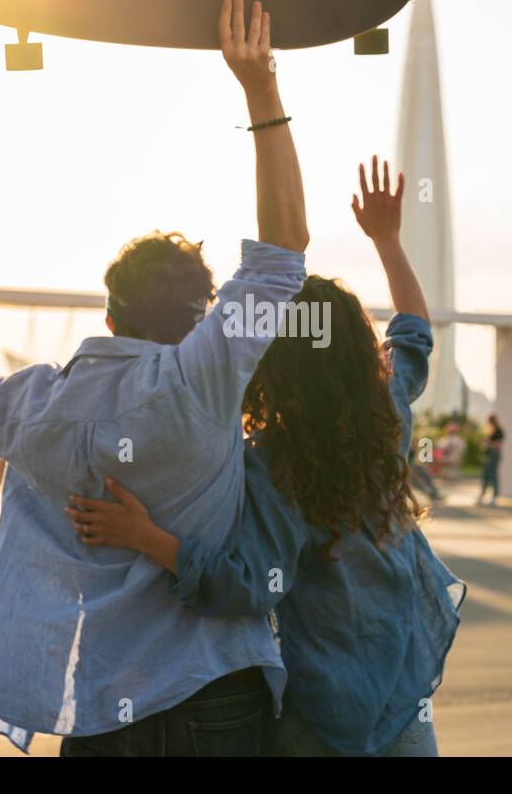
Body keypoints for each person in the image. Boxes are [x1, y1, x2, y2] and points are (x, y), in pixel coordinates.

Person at [0, 0, 309, 756]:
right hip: (214, 696)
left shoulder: (34, 406)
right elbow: (282, 255)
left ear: (108, 316)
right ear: (200, 315)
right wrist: (259, 89)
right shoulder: (201, 380)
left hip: (99, 711)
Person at [68, 156, 466, 756]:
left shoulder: (275, 463)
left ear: (270, 366)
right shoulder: (388, 414)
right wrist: (387, 240)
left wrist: (144, 535)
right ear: (357, 347)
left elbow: (247, 584)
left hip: (324, 716)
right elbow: (414, 332)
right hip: (403, 696)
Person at [477, 413, 505, 506]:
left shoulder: (498, 431)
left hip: (494, 454)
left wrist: (488, 444)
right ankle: (482, 495)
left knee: (492, 475)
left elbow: (499, 444)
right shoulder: (492, 431)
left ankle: (494, 496)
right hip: (489, 454)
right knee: (486, 475)